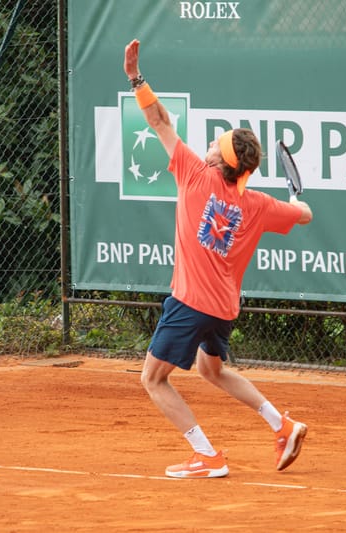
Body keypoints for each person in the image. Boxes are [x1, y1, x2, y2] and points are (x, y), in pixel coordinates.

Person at [124, 39, 313, 479]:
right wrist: (301, 206)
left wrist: (135, 77)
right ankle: (281, 424)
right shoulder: (261, 204)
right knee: (212, 370)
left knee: (152, 379)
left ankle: (207, 455)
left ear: (220, 159)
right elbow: (304, 215)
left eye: (216, 141)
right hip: (224, 308)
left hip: (189, 302)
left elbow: (159, 119)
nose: (210, 142)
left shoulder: (194, 172)